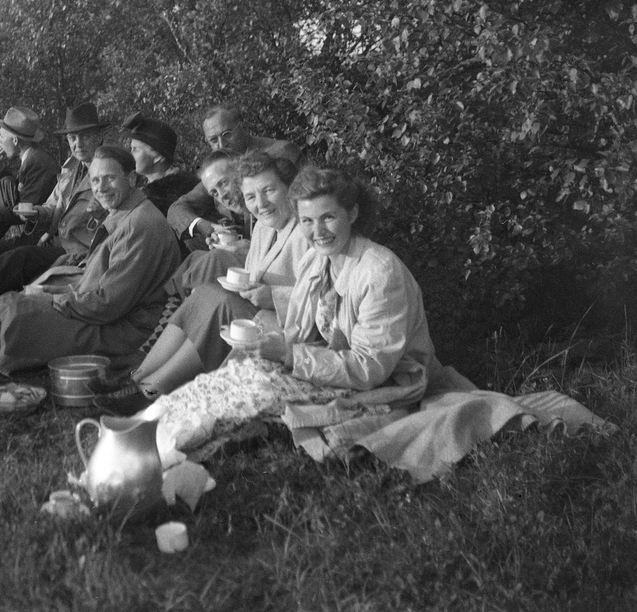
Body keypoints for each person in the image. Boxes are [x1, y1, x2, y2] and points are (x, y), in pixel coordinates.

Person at [142, 166, 446, 460]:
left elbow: (372, 367)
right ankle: (145, 426)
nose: (318, 232)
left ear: (352, 214)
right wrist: (266, 352)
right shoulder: (317, 259)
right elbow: (298, 330)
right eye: (307, 221)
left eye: (328, 217)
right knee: (229, 378)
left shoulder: (378, 272)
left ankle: (161, 450)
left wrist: (288, 355)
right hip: (327, 364)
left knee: (247, 394)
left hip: (388, 381)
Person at [95, 153, 308, 414]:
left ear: (289, 187)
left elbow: (322, 299)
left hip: (289, 328)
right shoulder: (265, 227)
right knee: (206, 293)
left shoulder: (307, 231)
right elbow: (255, 273)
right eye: (251, 197)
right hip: (260, 313)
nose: (261, 203)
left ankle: (150, 391)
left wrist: (273, 296)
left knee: (217, 301)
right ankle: (136, 378)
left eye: (269, 191)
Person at [0, 145, 180, 375]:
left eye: (109, 178)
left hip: (127, 328)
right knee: (12, 303)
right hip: (102, 310)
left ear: (132, 178)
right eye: (95, 181)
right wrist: (50, 291)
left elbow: (108, 304)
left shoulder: (140, 225)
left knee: (21, 320)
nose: (101, 188)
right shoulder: (125, 213)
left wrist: (55, 298)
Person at [0, 102, 107, 299]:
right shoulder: (72, 168)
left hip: (78, 251)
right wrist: (36, 211)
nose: (78, 144)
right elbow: (53, 205)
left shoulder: (107, 171)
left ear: (99, 138)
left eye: (85, 137)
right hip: (53, 241)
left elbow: (116, 219)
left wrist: (100, 216)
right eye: (72, 138)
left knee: (20, 257)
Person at [168, 106, 301, 253]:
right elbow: (178, 208)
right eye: (213, 140)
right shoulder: (219, 169)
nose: (221, 144)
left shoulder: (278, 154)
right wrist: (208, 228)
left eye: (227, 134)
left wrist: (253, 249)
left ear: (243, 126)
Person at [0, 106, 60, 241]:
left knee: (4, 183)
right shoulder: (31, 158)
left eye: (1, 136)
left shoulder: (36, 162)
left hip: (39, 237)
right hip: (31, 230)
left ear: (15, 140)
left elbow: (26, 210)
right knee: (5, 182)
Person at [122, 112, 198, 219]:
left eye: (136, 150)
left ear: (157, 157)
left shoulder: (169, 197)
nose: (130, 154)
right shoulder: (140, 188)